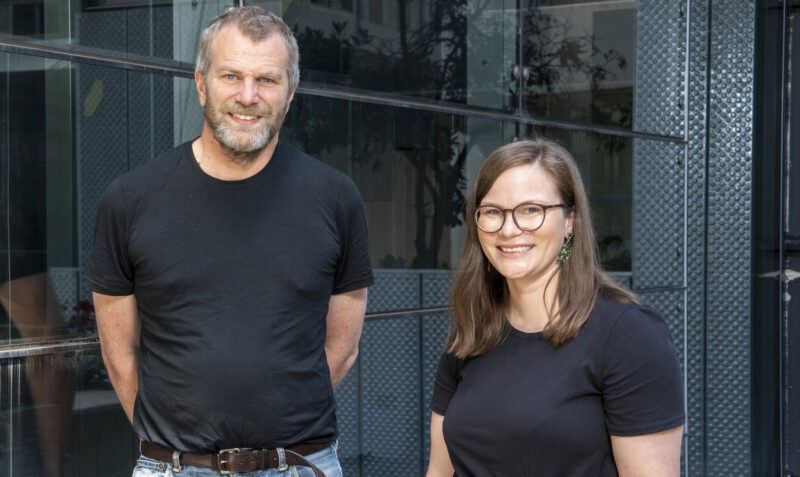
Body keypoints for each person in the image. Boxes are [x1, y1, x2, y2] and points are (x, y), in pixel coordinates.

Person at [86, 7, 373, 477]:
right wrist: (175, 446)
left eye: (267, 80)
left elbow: (341, 349)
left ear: (291, 92)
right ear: (201, 84)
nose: (247, 96)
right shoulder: (130, 200)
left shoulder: (335, 198)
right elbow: (118, 353)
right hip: (173, 468)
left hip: (299, 466)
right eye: (231, 76)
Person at [427, 138, 684, 476]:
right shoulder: (473, 331)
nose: (509, 229)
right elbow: (439, 472)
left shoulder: (628, 335)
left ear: (569, 221)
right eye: (492, 212)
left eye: (531, 210)